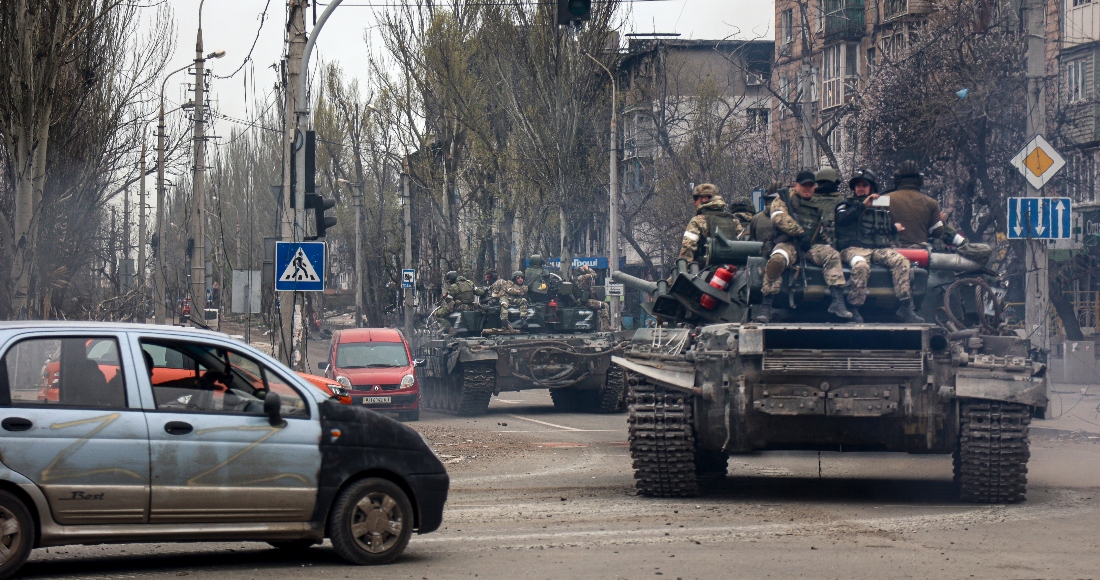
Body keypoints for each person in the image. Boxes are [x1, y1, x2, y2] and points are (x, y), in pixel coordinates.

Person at [756, 169, 852, 323]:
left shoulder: (815, 204)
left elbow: (819, 228)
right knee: (778, 260)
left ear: (814, 187)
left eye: (810, 186)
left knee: (833, 255)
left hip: (810, 246)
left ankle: (838, 302)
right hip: (788, 244)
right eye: (803, 186)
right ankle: (766, 306)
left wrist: (826, 242)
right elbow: (779, 217)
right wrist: (799, 233)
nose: (807, 189)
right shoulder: (783, 199)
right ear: (796, 185)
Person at [834, 169, 923, 324]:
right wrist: (862, 205)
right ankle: (854, 308)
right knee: (861, 266)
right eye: (858, 185)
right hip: (852, 249)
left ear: (872, 188)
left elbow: (879, 227)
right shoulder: (845, 204)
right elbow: (841, 219)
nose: (860, 188)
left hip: (876, 249)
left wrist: (893, 228)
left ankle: (906, 306)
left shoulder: (879, 205)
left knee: (901, 261)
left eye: (864, 185)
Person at [679, 183, 743, 263]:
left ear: (705, 199)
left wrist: (683, 266)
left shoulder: (697, 221)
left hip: (706, 271)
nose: (694, 202)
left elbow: (688, 248)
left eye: (696, 198)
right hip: (733, 270)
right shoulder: (734, 221)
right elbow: (742, 246)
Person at [432, 270, 484, 336]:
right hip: (471, 306)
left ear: (451, 279)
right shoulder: (470, 283)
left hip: (460, 307)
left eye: (449, 281)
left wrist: (446, 296)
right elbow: (479, 292)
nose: (449, 283)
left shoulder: (454, 286)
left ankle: (448, 327)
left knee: (437, 314)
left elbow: (448, 300)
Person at [574, 264, 610, 330]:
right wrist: (587, 269)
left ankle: (598, 327)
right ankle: (606, 326)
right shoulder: (583, 277)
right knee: (604, 305)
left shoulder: (574, 279)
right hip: (584, 301)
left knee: (598, 311)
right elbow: (595, 275)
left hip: (579, 300)